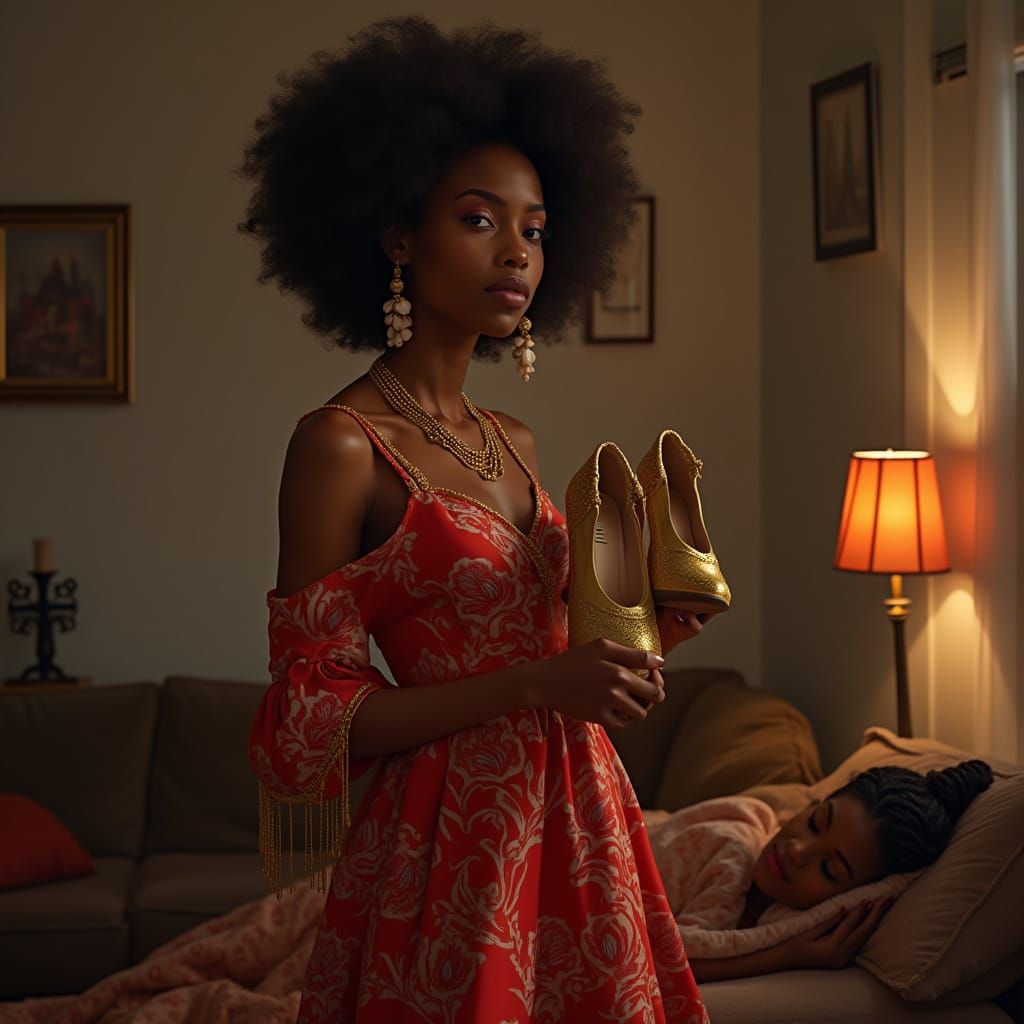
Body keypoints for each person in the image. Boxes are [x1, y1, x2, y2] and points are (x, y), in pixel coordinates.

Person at [238, 15, 710, 1023]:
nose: (516, 253)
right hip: (444, 840)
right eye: (478, 219)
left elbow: (553, 637)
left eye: (534, 228)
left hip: (583, 816)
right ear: (398, 236)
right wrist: (539, 679)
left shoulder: (517, 439)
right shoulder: (339, 444)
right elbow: (311, 718)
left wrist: (640, 630)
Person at [685, 759, 993, 983]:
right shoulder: (729, 849)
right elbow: (653, 962)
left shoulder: (782, 915)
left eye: (829, 868)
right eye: (814, 822)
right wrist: (785, 956)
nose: (797, 850)